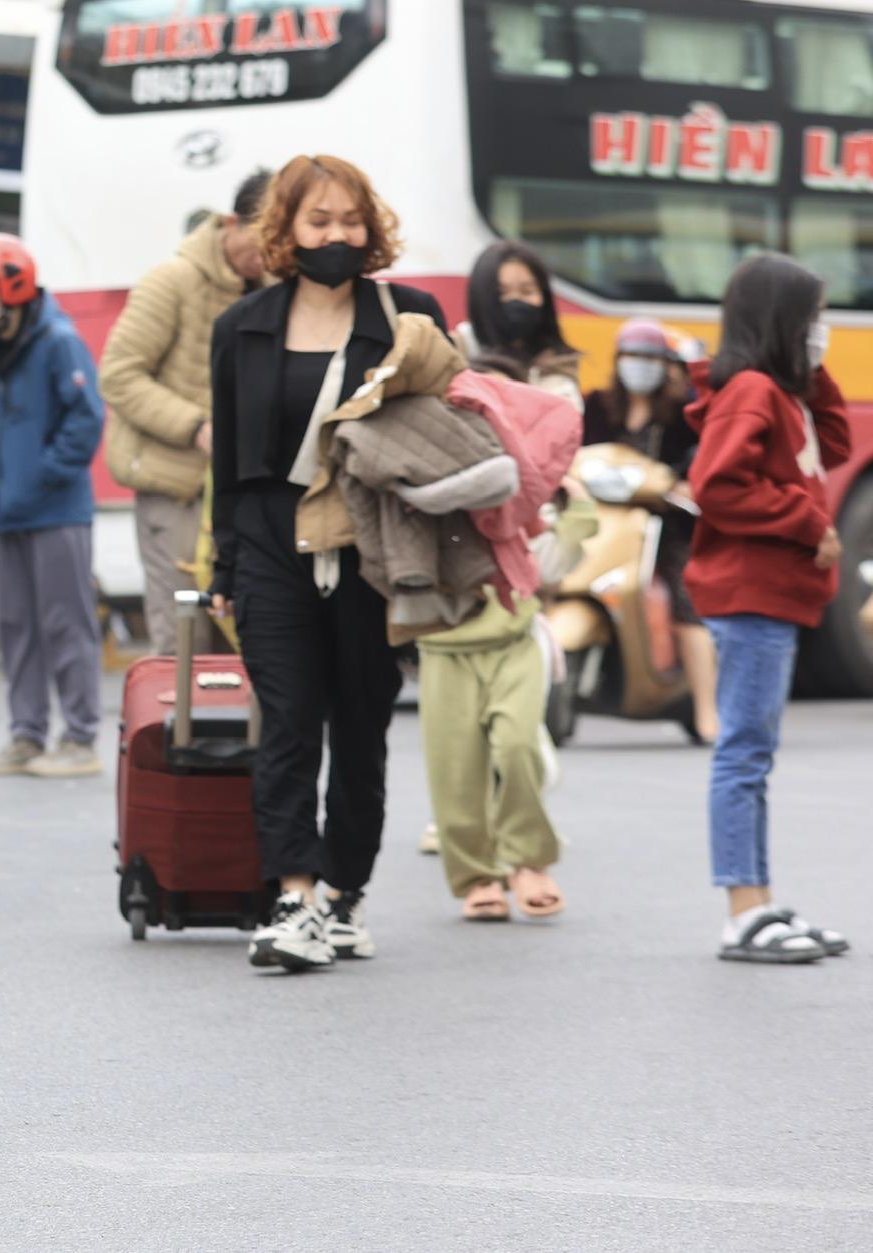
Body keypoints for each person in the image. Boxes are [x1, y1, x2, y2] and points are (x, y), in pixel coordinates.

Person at [208, 155, 450, 971]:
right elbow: (232, 466)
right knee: (285, 722)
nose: (337, 236)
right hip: (273, 544)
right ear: (286, 230)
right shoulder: (240, 326)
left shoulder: (410, 316)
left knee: (360, 725)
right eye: (319, 222)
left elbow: (449, 428)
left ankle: (345, 892)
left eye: (350, 221)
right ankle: (295, 894)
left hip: (373, 546)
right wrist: (225, 568)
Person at [684, 254, 852, 964]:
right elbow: (716, 484)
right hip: (751, 593)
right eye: (812, 318)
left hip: (770, 597)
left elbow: (836, 442)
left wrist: (809, 373)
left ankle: (758, 900)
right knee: (744, 754)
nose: (822, 331)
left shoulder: (779, 392)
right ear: (785, 320)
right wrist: (808, 523)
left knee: (753, 753)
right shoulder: (753, 390)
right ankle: (742, 910)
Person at [415, 350, 582, 923]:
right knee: (455, 767)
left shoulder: (526, 486)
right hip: (444, 641)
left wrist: (574, 508)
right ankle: (477, 876)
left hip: (514, 634)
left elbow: (554, 557)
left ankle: (528, 860)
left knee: (516, 746)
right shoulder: (426, 462)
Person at [0, 235, 108, 779]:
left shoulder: (57, 340)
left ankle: (81, 738)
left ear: (13, 284)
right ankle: (27, 735)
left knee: (66, 624)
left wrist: (42, 477)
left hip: (55, 511)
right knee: (17, 625)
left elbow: (85, 419)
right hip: (7, 511)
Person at [100, 168, 270, 657]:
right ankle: (181, 735)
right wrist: (196, 427)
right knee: (184, 639)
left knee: (251, 633)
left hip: (248, 493)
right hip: (174, 490)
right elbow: (118, 374)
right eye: (262, 238)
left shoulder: (281, 288)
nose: (268, 254)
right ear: (232, 222)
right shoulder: (171, 280)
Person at [582, 316, 717, 742]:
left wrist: (680, 482)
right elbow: (580, 455)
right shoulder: (598, 405)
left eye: (648, 357)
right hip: (604, 520)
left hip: (664, 525)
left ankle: (707, 710)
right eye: (631, 356)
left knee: (685, 598)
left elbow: (695, 462)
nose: (638, 365)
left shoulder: (680, 415)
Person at [460, 240, 582, 408]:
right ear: (481, 298)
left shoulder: (559, 365)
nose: (516, 301)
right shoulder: (457, 353)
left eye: (527, 291)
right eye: (502, 293)